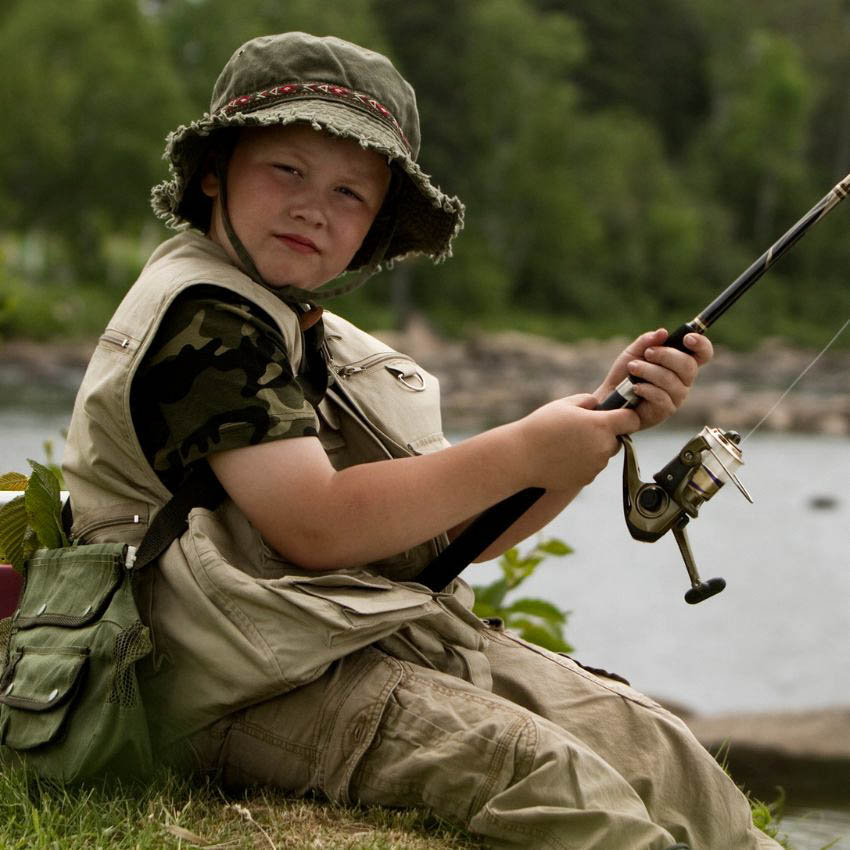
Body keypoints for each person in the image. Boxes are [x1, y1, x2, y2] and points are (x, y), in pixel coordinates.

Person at [62, 32, 780, 850]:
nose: (313, 208)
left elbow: (447, 545)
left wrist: (590, 428)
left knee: (665, 754)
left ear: (374, 229)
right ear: (214, 171)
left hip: (325, 645)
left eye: (350, 194)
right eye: (286, 170)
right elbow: (318, 525)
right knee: (543, 775)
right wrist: (521, 449)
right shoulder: (207, 317)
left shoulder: (305, 328)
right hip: (218, 684)